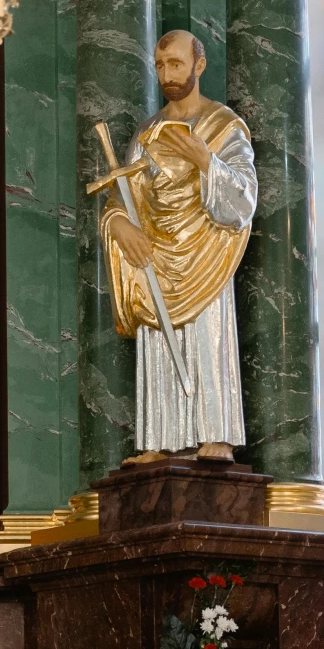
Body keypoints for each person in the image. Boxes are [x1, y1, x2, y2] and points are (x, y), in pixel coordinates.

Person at [99, 30, 257, 458]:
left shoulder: (224, 126)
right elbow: (122, 195)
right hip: (156, 255)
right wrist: (119, 225)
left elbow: (243, 199)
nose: (167, 74)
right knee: (157, 347)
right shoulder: (148, 132)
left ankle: (216, 437)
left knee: (210, 342)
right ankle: (160, 442)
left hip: (206, 254)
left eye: (176, 64)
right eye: (160, 65)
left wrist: (206, 160)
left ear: (199, 66)